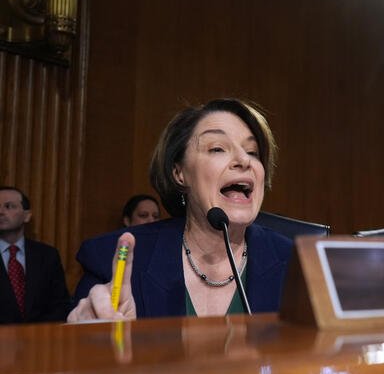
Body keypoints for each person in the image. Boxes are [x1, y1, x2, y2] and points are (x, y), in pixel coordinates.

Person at [68, 99, 292, 322]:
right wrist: (97, 336)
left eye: (253, 152)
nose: (244, 160)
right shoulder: (113, 261)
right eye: (217, 148)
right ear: (179, 173)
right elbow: (77, 341)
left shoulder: (298, 267)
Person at [0, 186, 70, 324]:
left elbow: (60, 305)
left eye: (9, 206)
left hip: (42, 334)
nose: (1, 212)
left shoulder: (48, 255)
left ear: (27, 216)